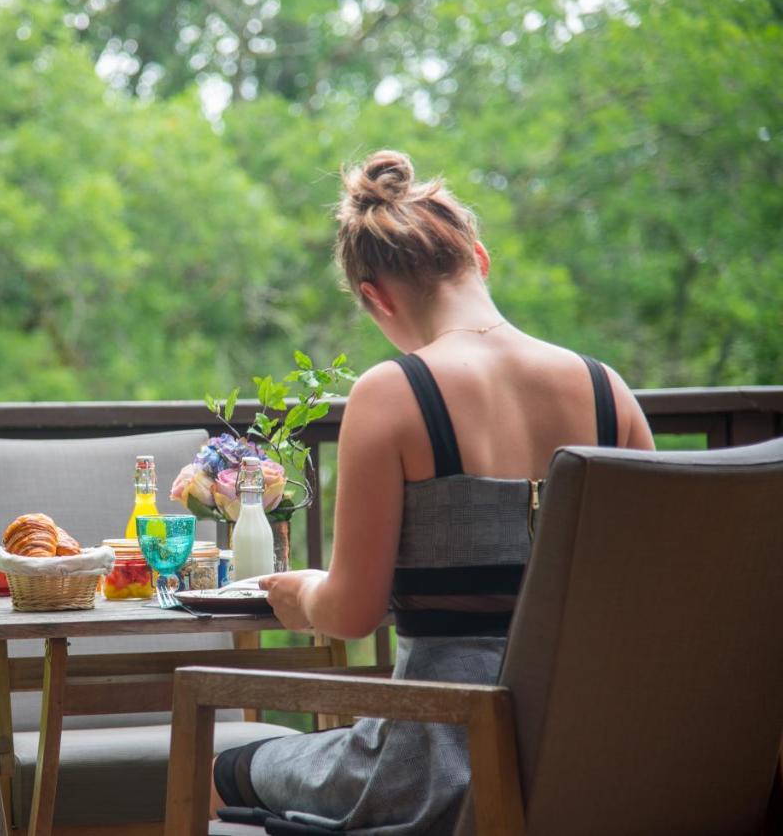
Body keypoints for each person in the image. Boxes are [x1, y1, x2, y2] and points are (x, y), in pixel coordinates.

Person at [211, 150, 655, 834]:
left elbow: (353, 612)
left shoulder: (394, 394)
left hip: (436, 768)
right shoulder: (608, 392)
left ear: (375, 297)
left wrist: (300, 592)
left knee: (223, 767)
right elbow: (645, 599)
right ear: (479, 257)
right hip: (597, 765)